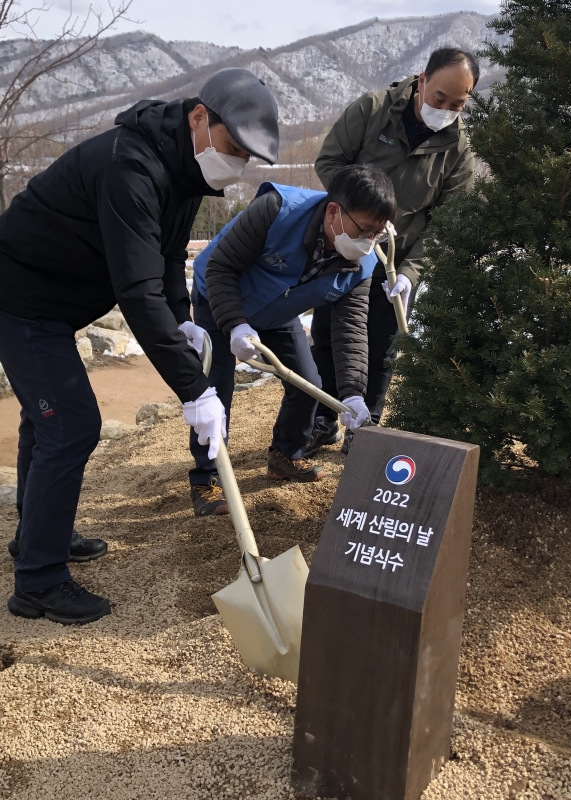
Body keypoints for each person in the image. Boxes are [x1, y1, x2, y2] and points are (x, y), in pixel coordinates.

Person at [0, 68, 279, 624]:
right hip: (22, 296)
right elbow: (136, 288)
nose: (237, 165)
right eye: (232, 148)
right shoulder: (131, 165)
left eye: (247, 158)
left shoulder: (181, 170)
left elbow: (167, 258)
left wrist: (183, 320)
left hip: (54, 301)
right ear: (201, 117)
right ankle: (38, 581)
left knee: (47, 420)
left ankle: (36, 535)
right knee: (71, 423)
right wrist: (194, 390)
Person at [188, 164, 396, 516]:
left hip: (277, 314)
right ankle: (206, 479)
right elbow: (221, 267)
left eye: (377, 234)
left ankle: (285, 454)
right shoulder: (276, 210)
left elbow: (350, 328)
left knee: (308, 383)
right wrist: (235, 324)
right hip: (220, 300)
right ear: (333, 211)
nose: (368, 242)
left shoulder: (361, 263)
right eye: (364, 230)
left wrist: (353, 393)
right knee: (215, 393)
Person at [306, 47, 478, 456]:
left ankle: (366, 430)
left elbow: (448, 222)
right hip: (346, 248)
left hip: (398, 262)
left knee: (382, 347)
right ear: (421, 81)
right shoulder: (372, 109)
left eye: (458, 104)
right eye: (439, 98)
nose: (446, 110)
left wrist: (410, 274)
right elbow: (329, 161)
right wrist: (360, 214)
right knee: (330, 336)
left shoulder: (458, 150)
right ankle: (323, 419)